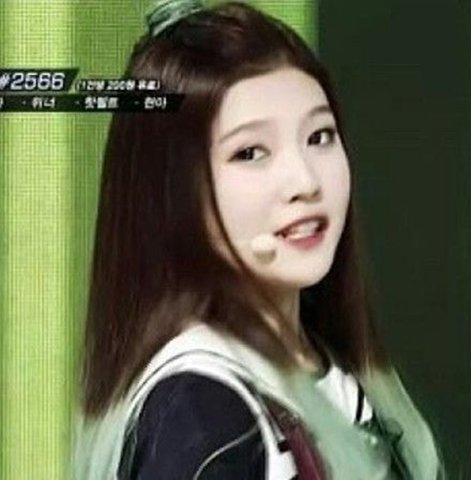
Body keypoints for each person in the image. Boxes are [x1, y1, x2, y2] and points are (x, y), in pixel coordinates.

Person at [72, 1, 446, 479]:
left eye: (320, 136)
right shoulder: (202, 412)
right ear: (170, 190)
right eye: (250, 152)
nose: (305, 181)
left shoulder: (329, 365)